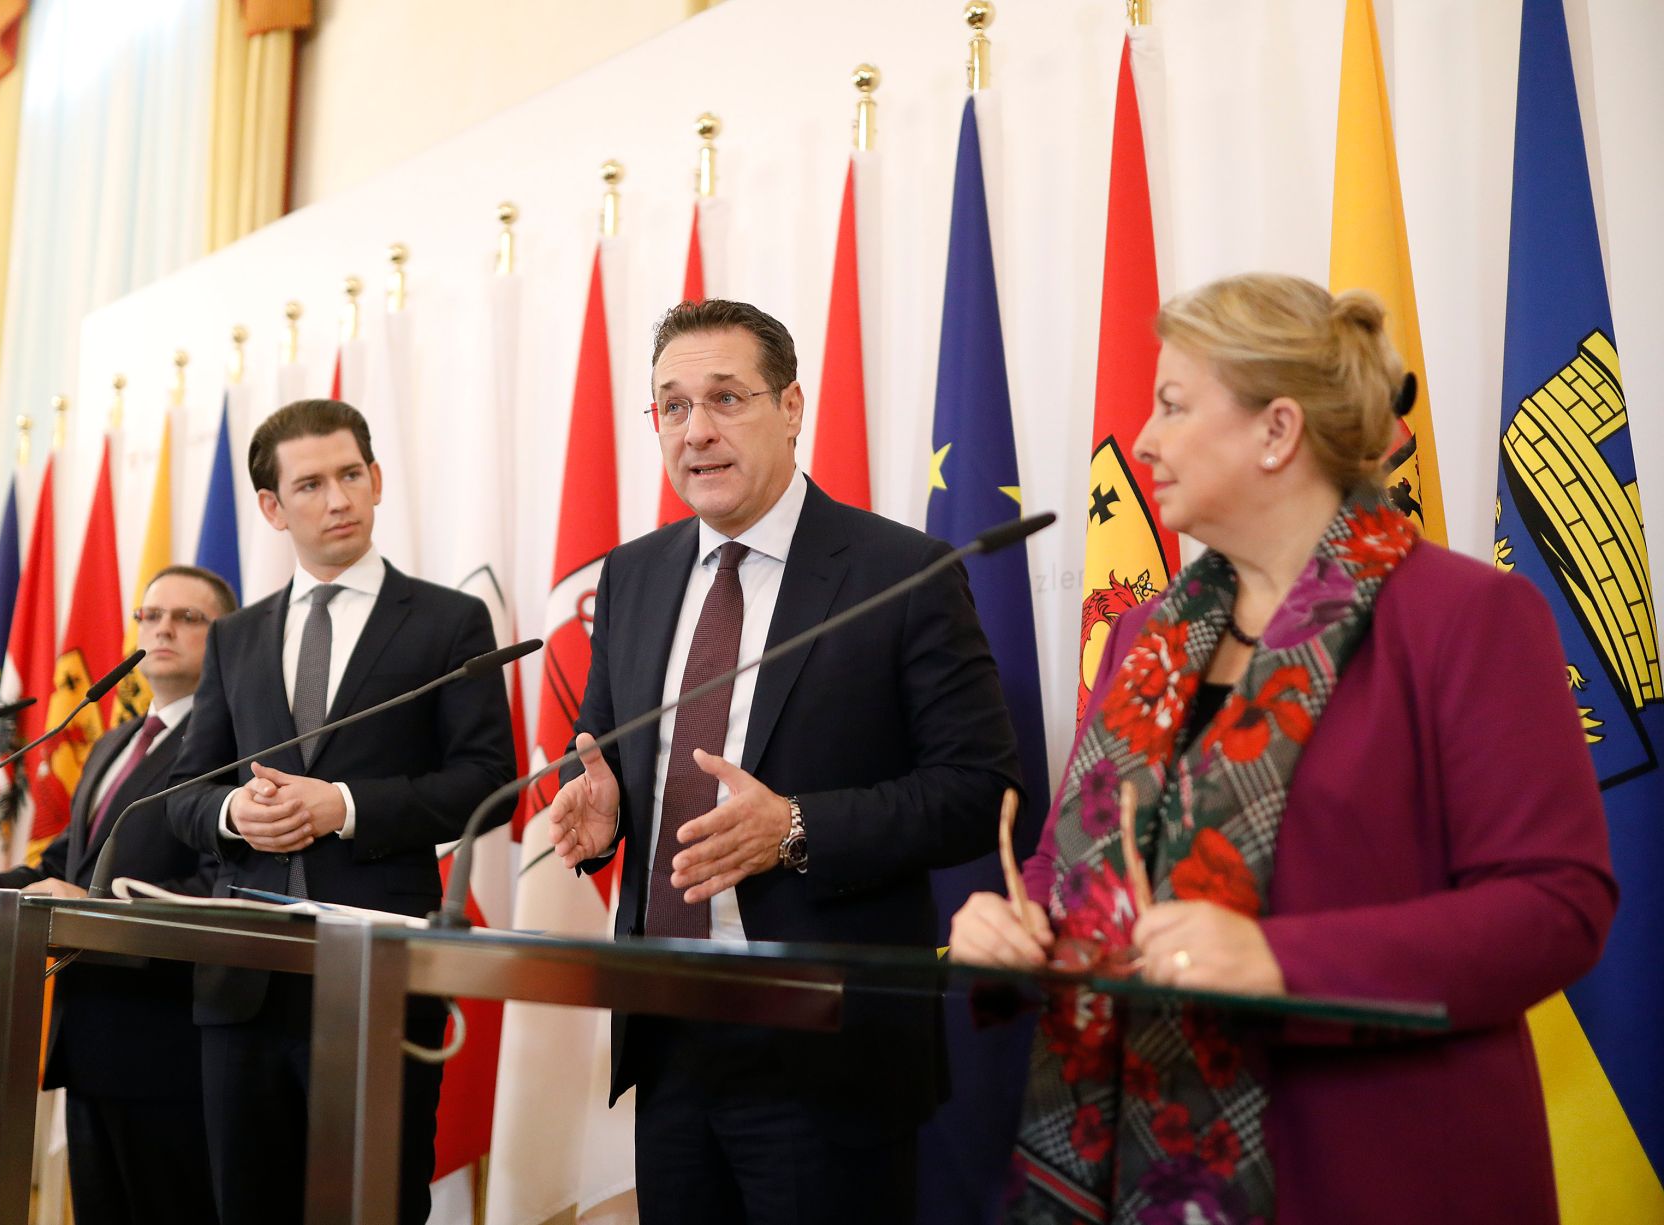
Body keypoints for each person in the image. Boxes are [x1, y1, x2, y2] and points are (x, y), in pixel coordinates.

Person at [950, 273, 1616, 1225]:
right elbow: (1074, 862)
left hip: (1377, 1167)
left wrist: (1279, 959)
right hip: (1126, 1158)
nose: (1141, 440)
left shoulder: (1468, 617)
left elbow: (1557, 904)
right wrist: (1017, 927)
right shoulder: (1149, 636)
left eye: (1174, 406)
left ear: (1278, 431)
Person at [546, 298, 1021, 1224]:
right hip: (671, 1031)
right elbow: (599, 755)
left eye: (726, 397)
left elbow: (981, 790)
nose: (698, 430)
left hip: (826, 1046)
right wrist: (603, 811)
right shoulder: (634, 574)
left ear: (793, 406)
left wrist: (795, 828)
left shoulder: (901, 572)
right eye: (672, 407)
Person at [165, 399, 516, 1225]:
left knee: (374, 1206)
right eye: (312, 483)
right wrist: (231, 815)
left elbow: (488, 779)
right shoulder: (236, 638)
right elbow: (181, 794)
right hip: (243, 987)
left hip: (381, 970)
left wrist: (345, 806)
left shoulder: (447, 620)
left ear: (378, 479)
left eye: (351, 474)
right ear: (272, 507)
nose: (338, 498)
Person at [0, 564, 234, 1225]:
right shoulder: (113, 740)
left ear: (227, 639)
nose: (163, 627)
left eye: (187, 617)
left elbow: (221, 886)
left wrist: (96, 908)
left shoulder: (233, 746)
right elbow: (58, 868)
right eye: (150, 615)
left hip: (168, 1044)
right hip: (86, 1037)